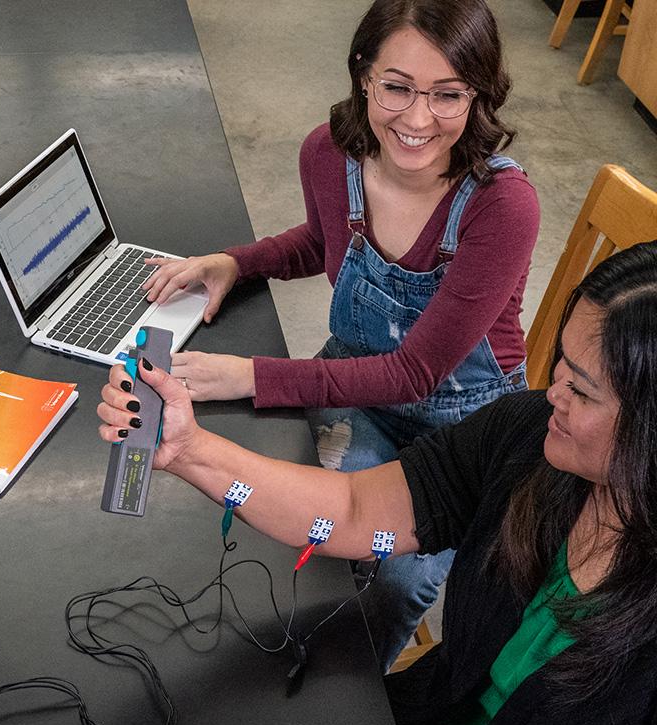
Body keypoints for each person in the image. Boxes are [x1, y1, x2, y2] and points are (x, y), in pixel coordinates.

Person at [98, 239, 657, 725]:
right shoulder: (529, 438)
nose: (553, 391)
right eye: (562, 362)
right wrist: (189, 449)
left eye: (582, 390)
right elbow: (354, 508)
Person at [139, 0, 540, 669]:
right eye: (397, 86)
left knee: (396, 578)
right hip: (355, 395)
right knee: (289, 524)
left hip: (466, 431)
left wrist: (254, 375)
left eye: (448, 95)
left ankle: (361, 705)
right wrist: (238, 261)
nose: (417, 119)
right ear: (363, 75)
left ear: (480, 94)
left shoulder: (501, 205)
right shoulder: (329, 154)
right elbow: (321, 240)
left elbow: (416, 374)